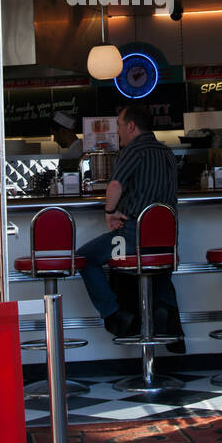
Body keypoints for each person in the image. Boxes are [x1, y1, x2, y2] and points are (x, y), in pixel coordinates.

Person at [77, 103, 185, 353]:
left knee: (85, 258)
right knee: (157, 271)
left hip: (131, 238)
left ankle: (115, 315)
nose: (118, 132)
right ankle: (165, 318)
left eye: (119, 126)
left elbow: (114, 185)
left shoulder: (133, 150)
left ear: (132, 126)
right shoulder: (167, 153)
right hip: (167, 241)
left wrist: (109, 213)